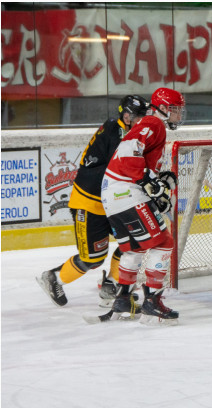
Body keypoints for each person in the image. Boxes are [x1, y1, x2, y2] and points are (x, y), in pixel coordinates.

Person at [36, 95, 150, 307]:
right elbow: (126, 167)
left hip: (112, 200)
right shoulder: (115, 133)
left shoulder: (126, 131)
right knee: (93, 258)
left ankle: (113, 284)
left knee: (133, 242)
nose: (142, 121)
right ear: (126, 116)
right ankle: (54, 278)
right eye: (139, 117)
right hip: (90, 203)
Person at [100, 87, 185, 323]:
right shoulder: (153, 123)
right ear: (164, 108)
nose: (179, 115)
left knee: (134, 247)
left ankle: (123, 298)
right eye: (176, 109)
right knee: (165, 242)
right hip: (126, 191)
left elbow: (138, 161)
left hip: (113, 195)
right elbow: (128, 156)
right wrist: (149, 181)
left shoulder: (150, 125)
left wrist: (156, 179)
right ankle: (152, 301)